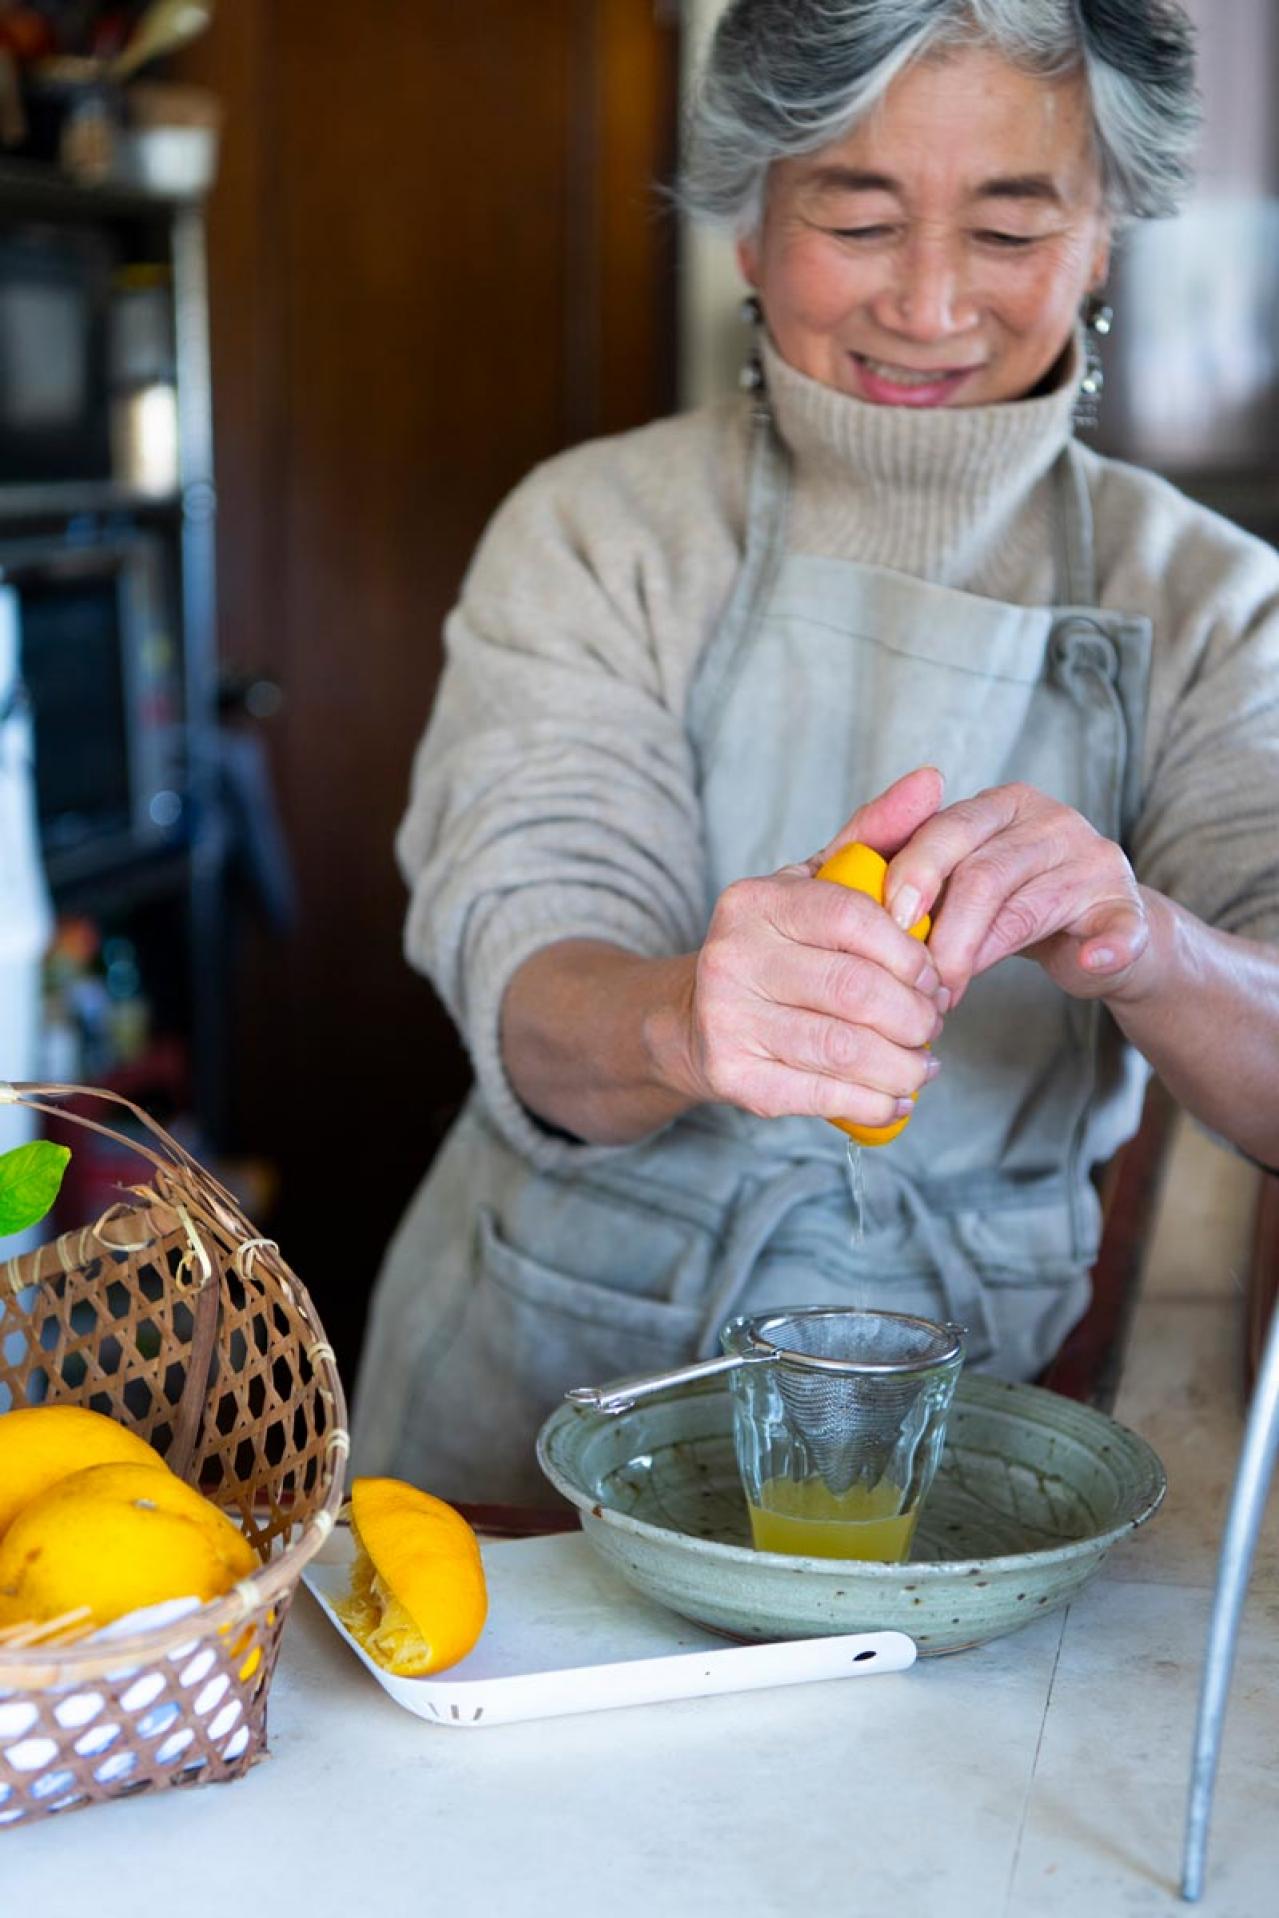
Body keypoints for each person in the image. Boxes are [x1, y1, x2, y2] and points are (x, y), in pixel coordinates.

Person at [352, 0, 1279, 1505]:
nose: (925, 305)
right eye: (856, 217)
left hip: (955, 1444)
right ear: (748, 222)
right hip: (533, 1425)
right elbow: (527, 963)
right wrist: (680, 1024)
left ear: (1103, 237)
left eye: (1008, 229)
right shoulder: (595, 534)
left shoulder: (1211, 604)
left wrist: (1148, 946)